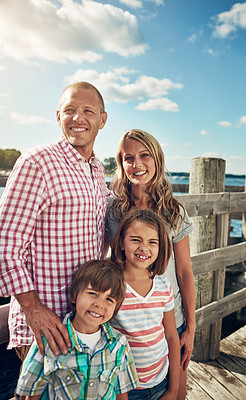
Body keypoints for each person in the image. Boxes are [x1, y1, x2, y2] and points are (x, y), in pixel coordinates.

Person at [0, 82, 109, 362]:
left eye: (87, 110)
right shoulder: (37, 162)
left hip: (84, 321)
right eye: (70, 110)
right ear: (58, 116)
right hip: (46, 323)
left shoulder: (96, 169)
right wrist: (33, 309)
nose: (78, 117)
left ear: (102, 119)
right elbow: (5, 245)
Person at [105, 129, 195, 399]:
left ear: (157, 159)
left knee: (175, 392)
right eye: (128, 158)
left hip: (170, 322)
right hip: (124, 323)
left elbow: (184, 272)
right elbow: (104, 261)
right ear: (121, 164)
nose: (137, 164)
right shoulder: (112, 209)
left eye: (145, 155)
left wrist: (190, 327)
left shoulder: (173, 211)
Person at [15, 260, 139, 400]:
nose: (99, 304)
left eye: (109, 299)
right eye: (93, 293)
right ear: (74, 296)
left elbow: (121, 393)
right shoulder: (49, 341)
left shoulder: (119, 344)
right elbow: (32, 394)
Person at [110, 209, 180, 399]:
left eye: (152, 242)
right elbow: (105, 344)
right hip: (126, 390)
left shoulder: (163, 285)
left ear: (161, 247)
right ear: (122, 243)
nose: (144, 248)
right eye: (135, 240)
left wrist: (173, 389)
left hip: (161, 383)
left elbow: (172, 336)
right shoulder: (111, 287)